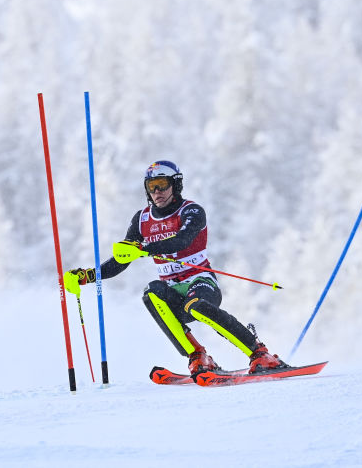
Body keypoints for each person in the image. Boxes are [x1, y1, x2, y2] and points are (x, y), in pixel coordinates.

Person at [65, 160, 286, 378]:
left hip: (201, 283)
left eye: (162, 184)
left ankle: (259, 353)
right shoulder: (142, 219)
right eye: (151, 186)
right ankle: (198, 356)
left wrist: (145, 247)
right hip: (174, 292)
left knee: (195, 306)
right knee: (151, 292)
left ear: (175, 185)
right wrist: (87, 276)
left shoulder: (191, 211)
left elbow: (182, 240)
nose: (157, 191)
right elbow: (121, 260)